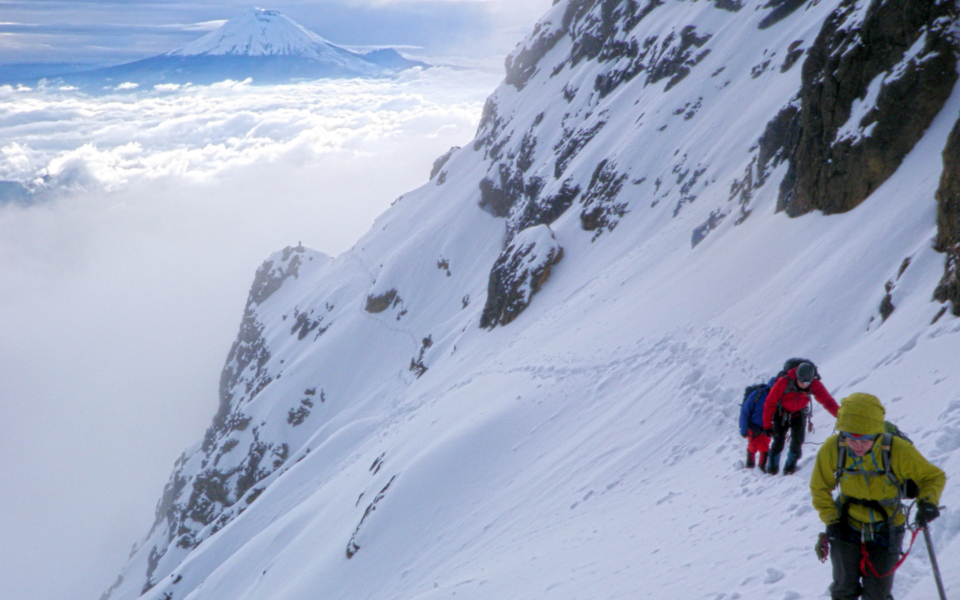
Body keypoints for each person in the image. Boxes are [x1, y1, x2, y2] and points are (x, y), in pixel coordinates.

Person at [810, 393, 945, 600]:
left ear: (876, 434)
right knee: (843, 588)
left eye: (864, 439)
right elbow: (819, 487)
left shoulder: (896, 450)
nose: (857, 445)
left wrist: (927, 502)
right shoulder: (834, 448)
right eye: (850, 438)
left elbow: (932, 476)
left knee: (878, 593)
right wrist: (831, 520)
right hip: (846, 523)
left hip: (887, 525)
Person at [762, 361, 839, 474]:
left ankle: (790, 469)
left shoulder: (814, 384)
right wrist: (767, 426)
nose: (804, 385)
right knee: (778, 442)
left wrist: (840, 415)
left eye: (807, 382)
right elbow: (770, 403)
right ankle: (771, 470)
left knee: (797, 442)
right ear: (796, 376)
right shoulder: (784, 381)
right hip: (781, 412)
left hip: (798, 413)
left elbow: (827, 401)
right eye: (801, 382)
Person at [739, 378, 775, 471]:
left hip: (766, 428)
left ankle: (761, 468)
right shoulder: (757, 395)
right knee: (753, 446)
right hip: (753, 427)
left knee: (764, 447)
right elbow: (745, 411)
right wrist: (743, 429)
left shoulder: (778, 398)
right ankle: (750, 467)